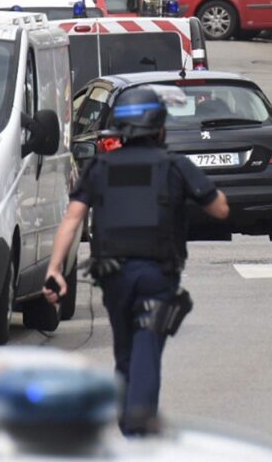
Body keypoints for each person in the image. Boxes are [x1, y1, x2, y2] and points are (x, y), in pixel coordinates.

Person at [44, 87, 228, 435]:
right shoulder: (175, 166)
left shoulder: (99, 166)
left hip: (113, 275)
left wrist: (55, 269)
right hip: (158, 273)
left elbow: (72, 219)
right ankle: (138, 425)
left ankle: (129, 420)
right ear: (159, 128)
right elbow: (219, 208)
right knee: (148, 343)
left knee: (125, 350)